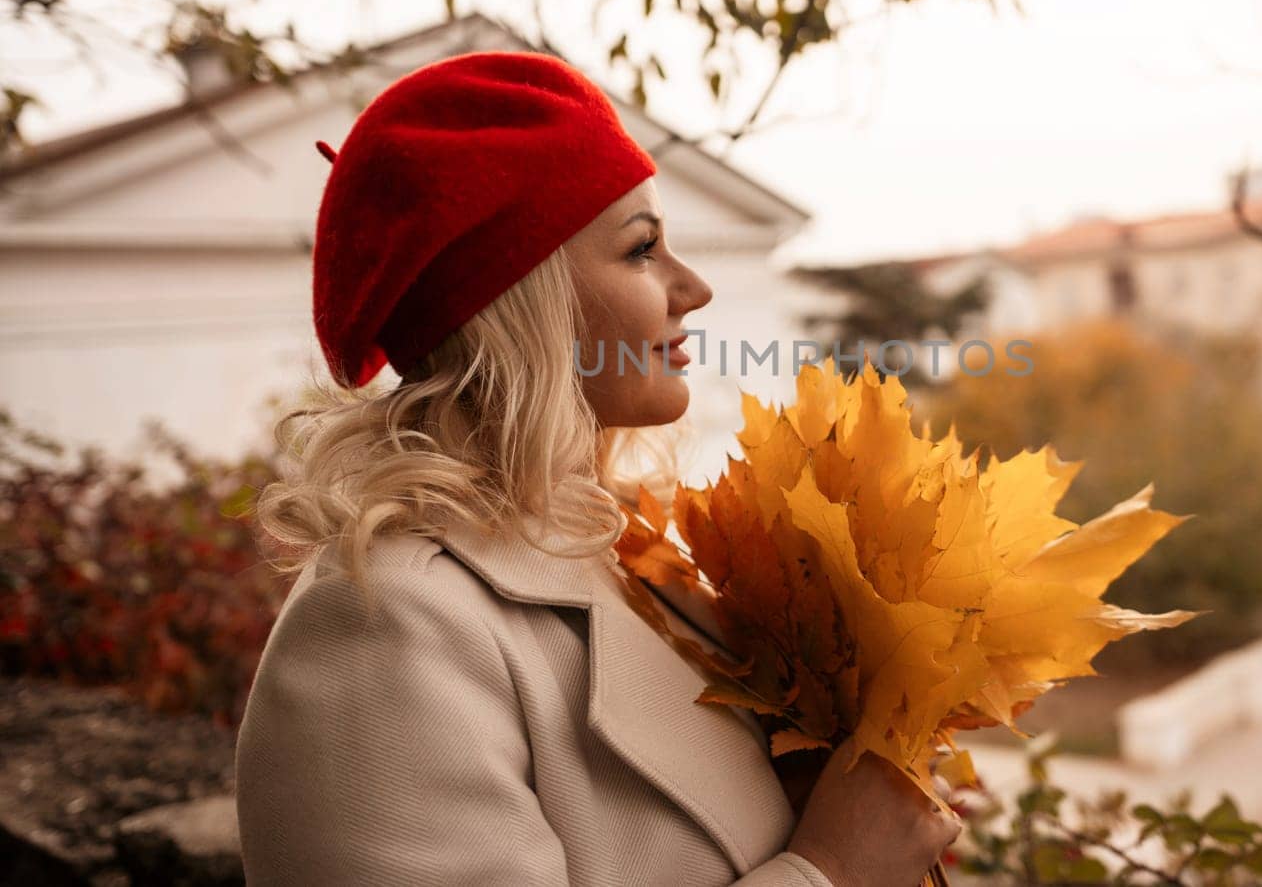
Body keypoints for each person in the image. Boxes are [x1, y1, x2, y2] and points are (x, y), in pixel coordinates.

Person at [233, 50, 961, 887]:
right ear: (522, 302)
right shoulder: (384, 623)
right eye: (643, 249)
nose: (693, 287)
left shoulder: (619, 551)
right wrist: (826, 871)